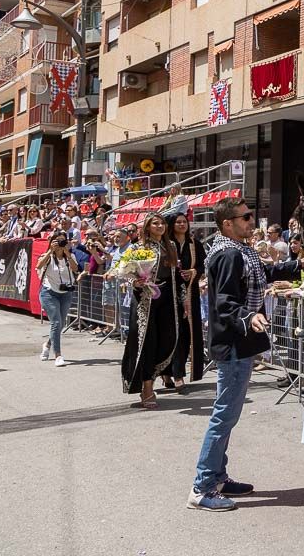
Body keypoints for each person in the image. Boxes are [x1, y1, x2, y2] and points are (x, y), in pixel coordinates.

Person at [189, 198, 267, 512]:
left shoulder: (239, 251)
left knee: (228, 416)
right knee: (224, 417)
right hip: (233, 346)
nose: (252, 220)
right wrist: (249, 317)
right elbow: (225, 303)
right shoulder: (229, 254)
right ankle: (203, 486)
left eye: (252, 215)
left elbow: (249, 284)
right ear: (227, 224)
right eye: (245, 217)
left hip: (238, 345)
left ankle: (218, 476)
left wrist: (295, 266)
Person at [121, 214, 181, 409]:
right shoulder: (138, 248)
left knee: (167, 338)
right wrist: (134, 281)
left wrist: (184, 300)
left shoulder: (170, 245)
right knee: (147, 342)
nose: (160, 226)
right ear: (147, 227)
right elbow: (126, 272)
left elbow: (176, 276)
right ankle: (147, 387)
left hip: (167, 298)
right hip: (145, 300)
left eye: (162, 223)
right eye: (155, 223)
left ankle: (155, 378)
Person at [169, 212, 207, 390]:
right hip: (168, 294)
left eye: (184, 222)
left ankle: (179, 373)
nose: (182, 225)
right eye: (178, 222)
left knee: (186, 334)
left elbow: (202, 265)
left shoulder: (195, 244)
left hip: (190, 294)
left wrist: (192, 272)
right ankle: (167, 373)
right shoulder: (166, 244)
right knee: (170, 334)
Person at [37, 235, 80, 367]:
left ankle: (48, 344)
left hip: (65, 293)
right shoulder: (47, 255)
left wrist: (67, 252)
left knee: (60, 324)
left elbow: (75, 269)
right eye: (57, 241)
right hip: (49, 293)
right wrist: (51, 251)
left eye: (62, 241)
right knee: (56, 322)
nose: (60, 244)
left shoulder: (69, 256)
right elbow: (39, 265)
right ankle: (58, 355)